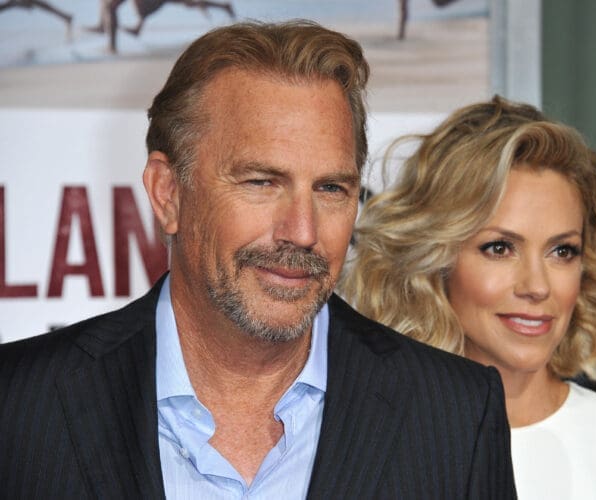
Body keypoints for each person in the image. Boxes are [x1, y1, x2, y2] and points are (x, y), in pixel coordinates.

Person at [0, 21, 516, 499]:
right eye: (262, 182)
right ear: (167, 193)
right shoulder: (19, 406)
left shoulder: (455, 415)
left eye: (332, 188)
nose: (304, 231)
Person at [342, 95, 596, 499]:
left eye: (562, 251)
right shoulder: (361, 452)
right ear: (435, 259)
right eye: (500, 248)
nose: (537, 286)